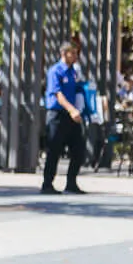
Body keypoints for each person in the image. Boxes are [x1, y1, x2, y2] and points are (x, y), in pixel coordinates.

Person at [41, 42, 90, 195]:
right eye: (72, 53)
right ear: (64, 53)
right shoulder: (55, 71)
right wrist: (71, 109)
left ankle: (71, 183)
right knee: (54, 149)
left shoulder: (73, 72)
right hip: (58, 114)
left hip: (71, 115)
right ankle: (47, 184)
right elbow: (58, 94)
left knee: (78, 148)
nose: (75, 56)